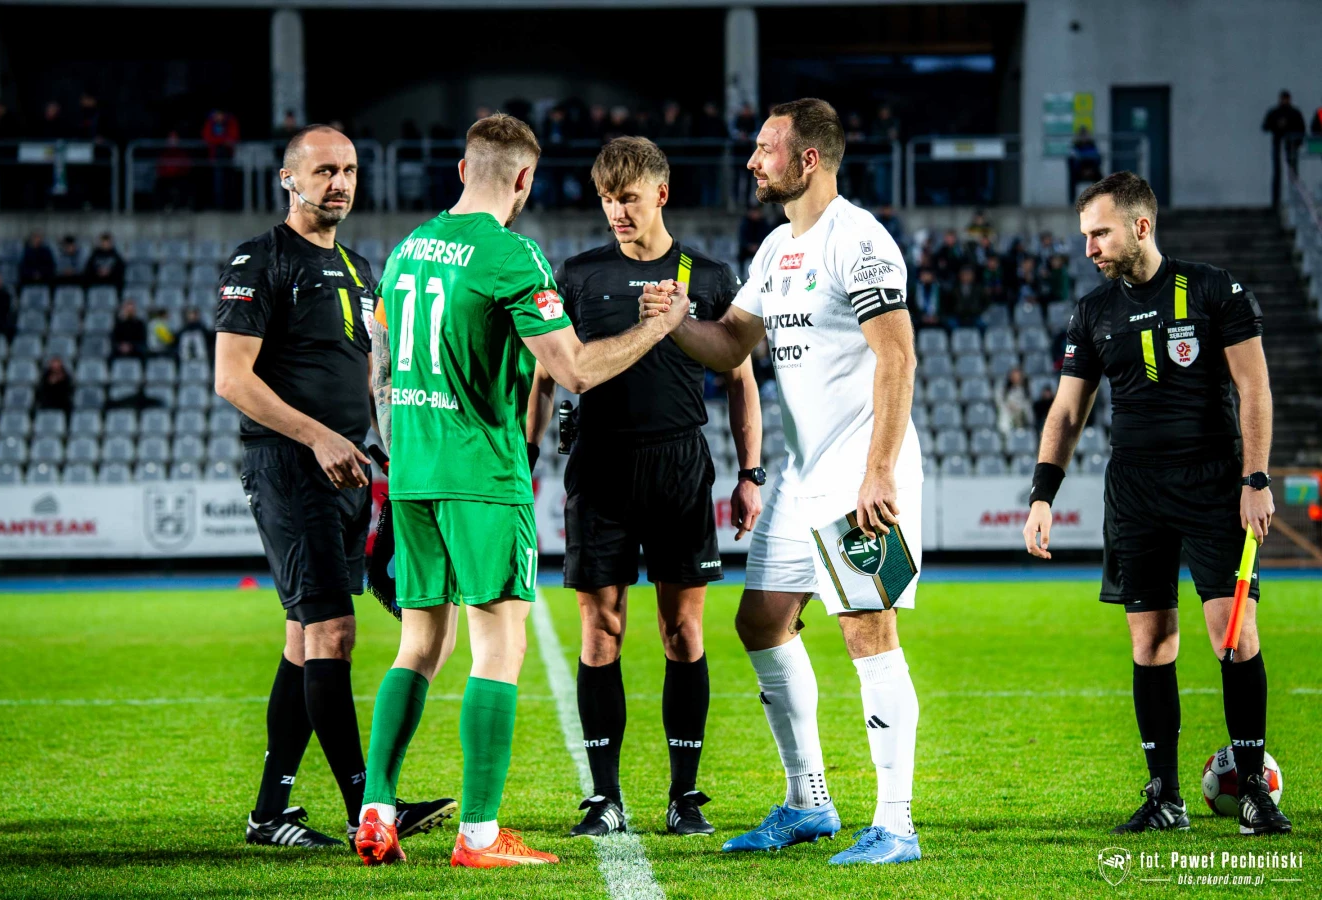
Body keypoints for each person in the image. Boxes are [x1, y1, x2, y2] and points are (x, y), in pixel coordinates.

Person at [355, 113, 693, 868]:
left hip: (411, 472)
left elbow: (379, 370)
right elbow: (573, 369)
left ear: (461, 170)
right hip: (482, 474)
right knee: (498, 649)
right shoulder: (512, 255)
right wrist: (658, 327)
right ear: (523, 179)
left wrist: (403, 454)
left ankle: (376, 811)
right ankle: (478, 834)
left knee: (419, 643)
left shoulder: (407, 251)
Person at [640, 97, 924, 866]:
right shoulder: (774, 249)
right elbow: (732, 343)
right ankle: (808, 803)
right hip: (803, 478)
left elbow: (897, 357)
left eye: (765, 148)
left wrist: (878, 472)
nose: (752, 160)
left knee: (868, 633)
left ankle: (895, 825)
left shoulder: (859, 241)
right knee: (761, 622)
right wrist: (676, 323)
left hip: (860, 471)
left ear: (808, 159)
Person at [1023, 171, 1290, 837]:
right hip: (1135, 491)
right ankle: (1165, 795)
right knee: (1151, 642)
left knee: (1234, 636)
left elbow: (1254, 387)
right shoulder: (1091, 312)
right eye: (1085, 235)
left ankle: (1254, 793)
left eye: (1100, 233)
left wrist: (1255, 479)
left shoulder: (1214, 290)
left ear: (1141, 226)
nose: (1089, 247)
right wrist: (1042, 494)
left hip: (1212, 484)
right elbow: (1068, 411)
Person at [214, 124, 455, 852]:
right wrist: (316, 436)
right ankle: (367, 809)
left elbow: (377, 375)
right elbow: (232, 378)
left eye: (348, 170)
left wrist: (394, 453)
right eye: (323, 171)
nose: (339, 183)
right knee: (333, 633)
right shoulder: (260, 259)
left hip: (353, 470)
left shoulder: (358, 266)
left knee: (304, 640)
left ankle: (270, 814)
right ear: (289, 179)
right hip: (292, 468)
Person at [525, 137, 762, 839]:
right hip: (598, 466)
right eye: (606, 199)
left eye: (627, 198)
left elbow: (741, 381)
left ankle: (684, 797)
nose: (616, 212)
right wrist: (526, 456)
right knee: (601, 630)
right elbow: (544, 376)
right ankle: (605, 799)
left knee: (682, 631)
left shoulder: (706, 276)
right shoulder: (578, 274)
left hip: (680, 466)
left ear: (660, 194)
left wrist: (750, 474)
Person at [1261, 91, 1306, 207]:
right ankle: (1276, 201)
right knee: (1278, 173)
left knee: (1293, 174)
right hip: (1279, 145)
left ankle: (1294, 199)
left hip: (1291, 146)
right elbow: (1265, 126)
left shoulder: (1294, 113)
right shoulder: (1276, 113)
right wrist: (1276, 125)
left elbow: (1301, 130)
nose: (1285, 101)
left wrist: (1297, 142)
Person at [995, 367, 1032, 433]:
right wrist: (1008, 406)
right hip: (1008, 410)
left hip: (1020, 411)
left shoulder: (1025, 389)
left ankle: (1023, 433)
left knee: (1026, 413)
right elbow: (999, 400)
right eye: (1014, 376)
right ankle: (1005, 435)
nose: (1016, 378)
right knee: (1004, 415)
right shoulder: (1004, 388)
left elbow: (1027, 402)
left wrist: (1018, 407)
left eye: (1018, 376)